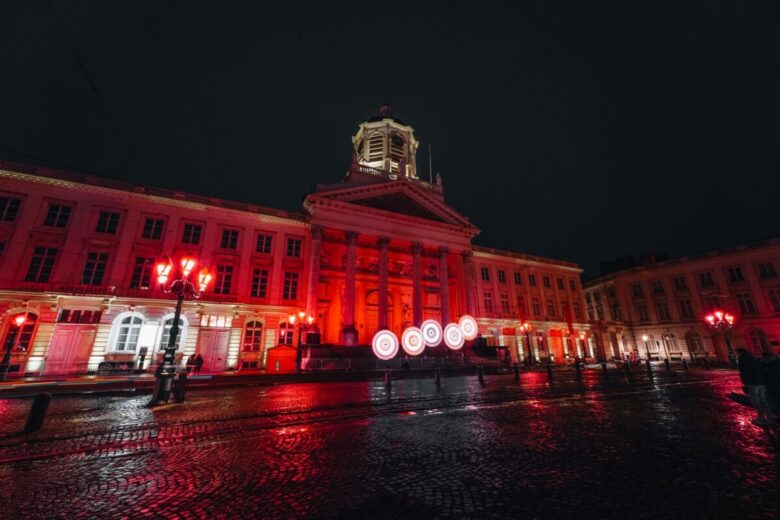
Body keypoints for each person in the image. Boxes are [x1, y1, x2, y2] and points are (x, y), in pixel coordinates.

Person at [737, 348, 774, 425]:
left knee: (756, 402)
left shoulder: (743, 360)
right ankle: (770, 418)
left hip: (753, 383)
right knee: (763, 401)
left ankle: (762, 418)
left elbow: (744, 373)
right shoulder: (754, 359)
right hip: (761, 383)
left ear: (740, 353)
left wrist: (746, 383)